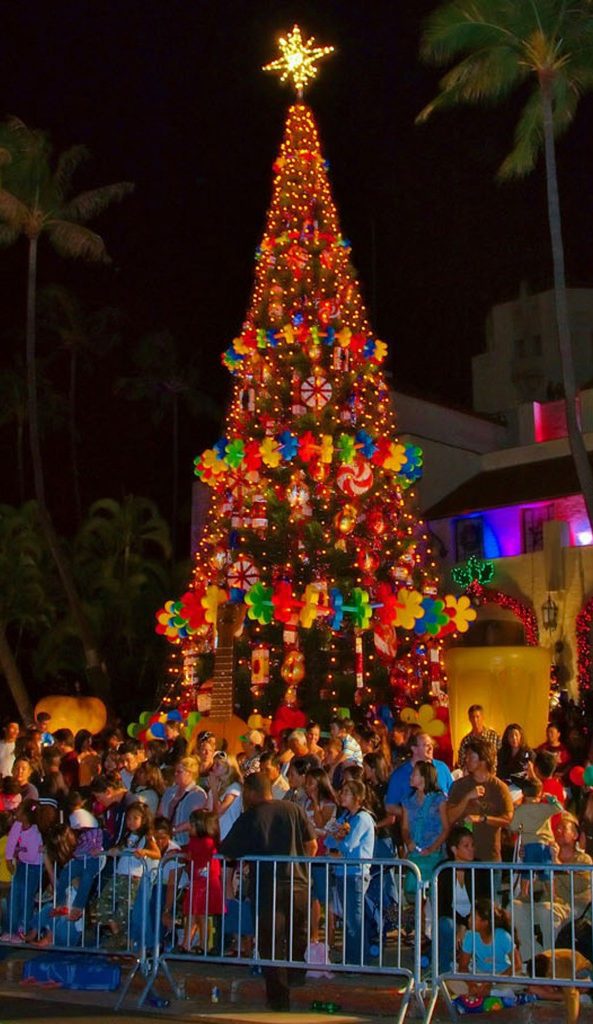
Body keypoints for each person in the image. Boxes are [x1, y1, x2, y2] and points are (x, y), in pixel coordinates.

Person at [220, 772, 317, 1012]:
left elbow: (229, 851)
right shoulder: (293, 809)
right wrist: (303, 865)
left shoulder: (250, 816)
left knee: (270, 941)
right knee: (298, 932)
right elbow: (312, 843)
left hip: (269, 885)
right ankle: (296, 975)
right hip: (299, 882)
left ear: (250, 792)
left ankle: (278, 997)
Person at [513, 811, 592, 964]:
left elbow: (578, 886)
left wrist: (556, 864)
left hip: (572, 907)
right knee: (516, 907)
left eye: (564, 828)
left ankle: (553, 962)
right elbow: (536, 886)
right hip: (547, 903)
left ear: (575, 835)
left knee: (547, 910)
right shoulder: (545, 856)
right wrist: (528, 861)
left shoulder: (583, 859)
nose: (558, 831)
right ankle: (533, 959)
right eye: (557, 829)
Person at [95, 800, 159, 947]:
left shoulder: (147, 837)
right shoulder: (126, 837)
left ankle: (126, 941)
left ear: (143, 820)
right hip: (119, 875)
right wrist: (113, 851)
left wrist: (144, 851)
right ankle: (117, 933)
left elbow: (157, 853)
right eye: (129, 818)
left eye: (135, 818)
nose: (131, 822)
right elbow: (120, 850)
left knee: (124, 909)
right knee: (103, 901)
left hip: (133, 878)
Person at [325, 779, 375, 965]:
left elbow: (348, 845)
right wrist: (336, 838)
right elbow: (329, 841)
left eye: (346, 792)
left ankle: (358, 960)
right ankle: (350, 958)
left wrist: (337, 839)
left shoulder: (362, 818)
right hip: (341, 872)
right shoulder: (345, 816)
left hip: (355, 872)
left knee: (354, 919)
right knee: (348, 918)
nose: (342, 795)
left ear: (357, 797)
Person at [447, 737, 513, 862]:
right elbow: (449, 817)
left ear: (483, 759)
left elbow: (508, 819)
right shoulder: (459, 785)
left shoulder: (499, 787)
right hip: (463, 859)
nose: (466, 760)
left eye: (470, 756)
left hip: (490, 856)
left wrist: (482, 819)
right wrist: (467, 798)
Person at [436, 825, 490, 973]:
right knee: (445, 925)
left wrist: (467, 924)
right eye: (466, 846)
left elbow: (483, 901)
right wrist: (462, 924)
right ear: (454, 849)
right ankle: (443, 971)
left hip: (476, 917)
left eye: (472, 845)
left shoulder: (480, 869)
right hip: (453, 918)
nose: (471, 849)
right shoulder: (443, 870)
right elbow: (443, 906)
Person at [457, 898, 521, 997]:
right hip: (480, 975)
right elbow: (463, 966)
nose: (469, 920)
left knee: (520, 982)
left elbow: (517, 964)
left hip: (502, 975)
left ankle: (490, 993)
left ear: (485, 922)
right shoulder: (470, 936)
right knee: (451, 981)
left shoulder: (502, 936)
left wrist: (492, 983)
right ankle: (492, 993)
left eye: (473, 918)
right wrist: (471, 984)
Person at [180, 809, 224, 953]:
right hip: (198, 880)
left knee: (201, 914)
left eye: (192, 826)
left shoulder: (207, 842)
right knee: (193, 912)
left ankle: (204, 944)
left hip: (206, 881)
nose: (189, 828)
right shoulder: (196, 841)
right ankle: (187, 943)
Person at [401, 760, 449, 880]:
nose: (411, 776)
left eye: (414, 774)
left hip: (435, 854)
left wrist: (432, 848)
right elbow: (405, 828)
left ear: (424, 777)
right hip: (415, 854)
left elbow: (446, 828)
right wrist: (408, 842)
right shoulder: (408, 802)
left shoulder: (439, 799)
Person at [3, 798, 44, 938]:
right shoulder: (17, 825)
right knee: (13, 895)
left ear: (26, 815)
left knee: (26, 897)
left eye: (20, 808)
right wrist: (10, 857)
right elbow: (11, 843)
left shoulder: (35, 831)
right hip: (22, 865)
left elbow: (32, 855)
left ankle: (22, 929)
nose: (17, 810)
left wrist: (19, 851)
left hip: (34, 867)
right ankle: (10, 929)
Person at [385, 732, 453, 815]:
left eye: (431, 745)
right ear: (414, 749)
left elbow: (453, 795)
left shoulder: (441, 767)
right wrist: (413, 815)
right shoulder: (400, 774)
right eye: (426, 745)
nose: (431, 748)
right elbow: (390, 806)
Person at [158, 756, 207, 846]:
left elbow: (194, 820)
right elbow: (160, 813)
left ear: (190, 773)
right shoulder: (170, 791)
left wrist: (174, 830)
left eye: (179, 772)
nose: (175, 774)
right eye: (175, 772)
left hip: (183, 842)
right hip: (165, 841)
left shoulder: (198, 794)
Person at [207, 751, 243, 839]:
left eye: (218, 765)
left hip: (227, 835)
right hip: (217, 834)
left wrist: (214, 790)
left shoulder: (235, 787)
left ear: (229, 768)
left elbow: (219, 811)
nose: (213, 767)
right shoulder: (218, 785)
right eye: (213, 764)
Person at [457, 705, 500, 771]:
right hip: (472, 778)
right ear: (469, 719)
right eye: (472, 717)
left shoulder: (494, 736)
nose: (475, 720)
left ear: (483, 717)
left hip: (492, 775)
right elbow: (461, 763)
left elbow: (501, 758)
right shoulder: (466, 740)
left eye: (477, 717)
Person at [496, 723, 533, 792]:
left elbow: (528, 773)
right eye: (511, 736)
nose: (514, 738)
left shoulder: (528, 753)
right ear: (507, 738)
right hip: (504, 784)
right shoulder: (502, 752)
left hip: (521, 787)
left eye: (516, 735)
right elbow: (499, 770)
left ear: (521, 736)